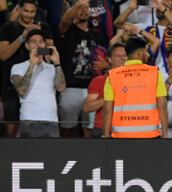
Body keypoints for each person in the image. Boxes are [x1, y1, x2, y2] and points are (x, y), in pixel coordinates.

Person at [0, 0, 53, 137]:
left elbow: (51, 53)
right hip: (13, 82)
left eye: (32, 12)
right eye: (26, 11)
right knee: (11, 125)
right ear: (19, 10)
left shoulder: (43, 27)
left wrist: (36, 43)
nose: (29, 15)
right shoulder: (8, 28)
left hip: (39, 82)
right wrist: (23, 38)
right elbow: (3, 55)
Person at [103, 37, 168, 138]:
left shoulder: (112, 75)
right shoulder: (155, 73)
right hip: (149, 134)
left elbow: (107, 109)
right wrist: (165, 134)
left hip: (121, 135)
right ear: (140, 54)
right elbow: (162, 105)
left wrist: (106, 135)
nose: (147, 55)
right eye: (146, 52)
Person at [58, 0, 104, 138]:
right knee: (66, 127)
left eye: (87, 8)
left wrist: (106, 65)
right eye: (80, 8)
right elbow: (65, 21)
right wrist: (78, 4)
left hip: (92, 88)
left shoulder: (96, 34)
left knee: (89, 128)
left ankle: (89, 156)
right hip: (70, 86)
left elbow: (105, 55)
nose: (84, 11)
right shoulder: (68, 30)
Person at [10, 29, 65, 137]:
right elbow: (22, 91)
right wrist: (32, 65)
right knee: (28, 154)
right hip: (28, 119)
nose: (37, 44)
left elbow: (61, 88)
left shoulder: (52, 68)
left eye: (41, 41)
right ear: (27, 46)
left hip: (51, 120)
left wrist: (57, 63)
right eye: (33, 42)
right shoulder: (18, 67)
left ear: (45, 45)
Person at [113, 0, 172, 78]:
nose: (159, 7)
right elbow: (118, 23)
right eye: (159, 5)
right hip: (151, 77)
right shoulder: (147, 29)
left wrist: (160, 6)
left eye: (164, 5)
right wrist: (131, 8)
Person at [83, 43, 127, 138]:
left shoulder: (136, 80)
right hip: (102, 130)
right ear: (110, 59)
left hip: (128, 129)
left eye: (125, 55)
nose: (123, 58)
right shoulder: (98, 81)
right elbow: (88, 107)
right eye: (118, 56)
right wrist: (110, 96)